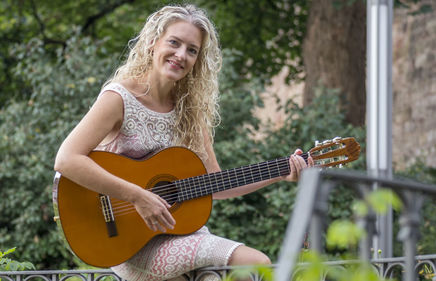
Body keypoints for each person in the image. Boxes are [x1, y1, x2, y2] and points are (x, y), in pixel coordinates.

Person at [54, 4, 313, 281]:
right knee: (256, 262)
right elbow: (67, 159)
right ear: (153, 43)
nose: (181, 55)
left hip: (180, 233)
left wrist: (280, 173)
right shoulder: (119, 99)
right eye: (174, 43)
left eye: (192, 50)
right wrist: (138, 196)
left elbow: (215, 183)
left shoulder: (190, 111)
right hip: (124, 240)